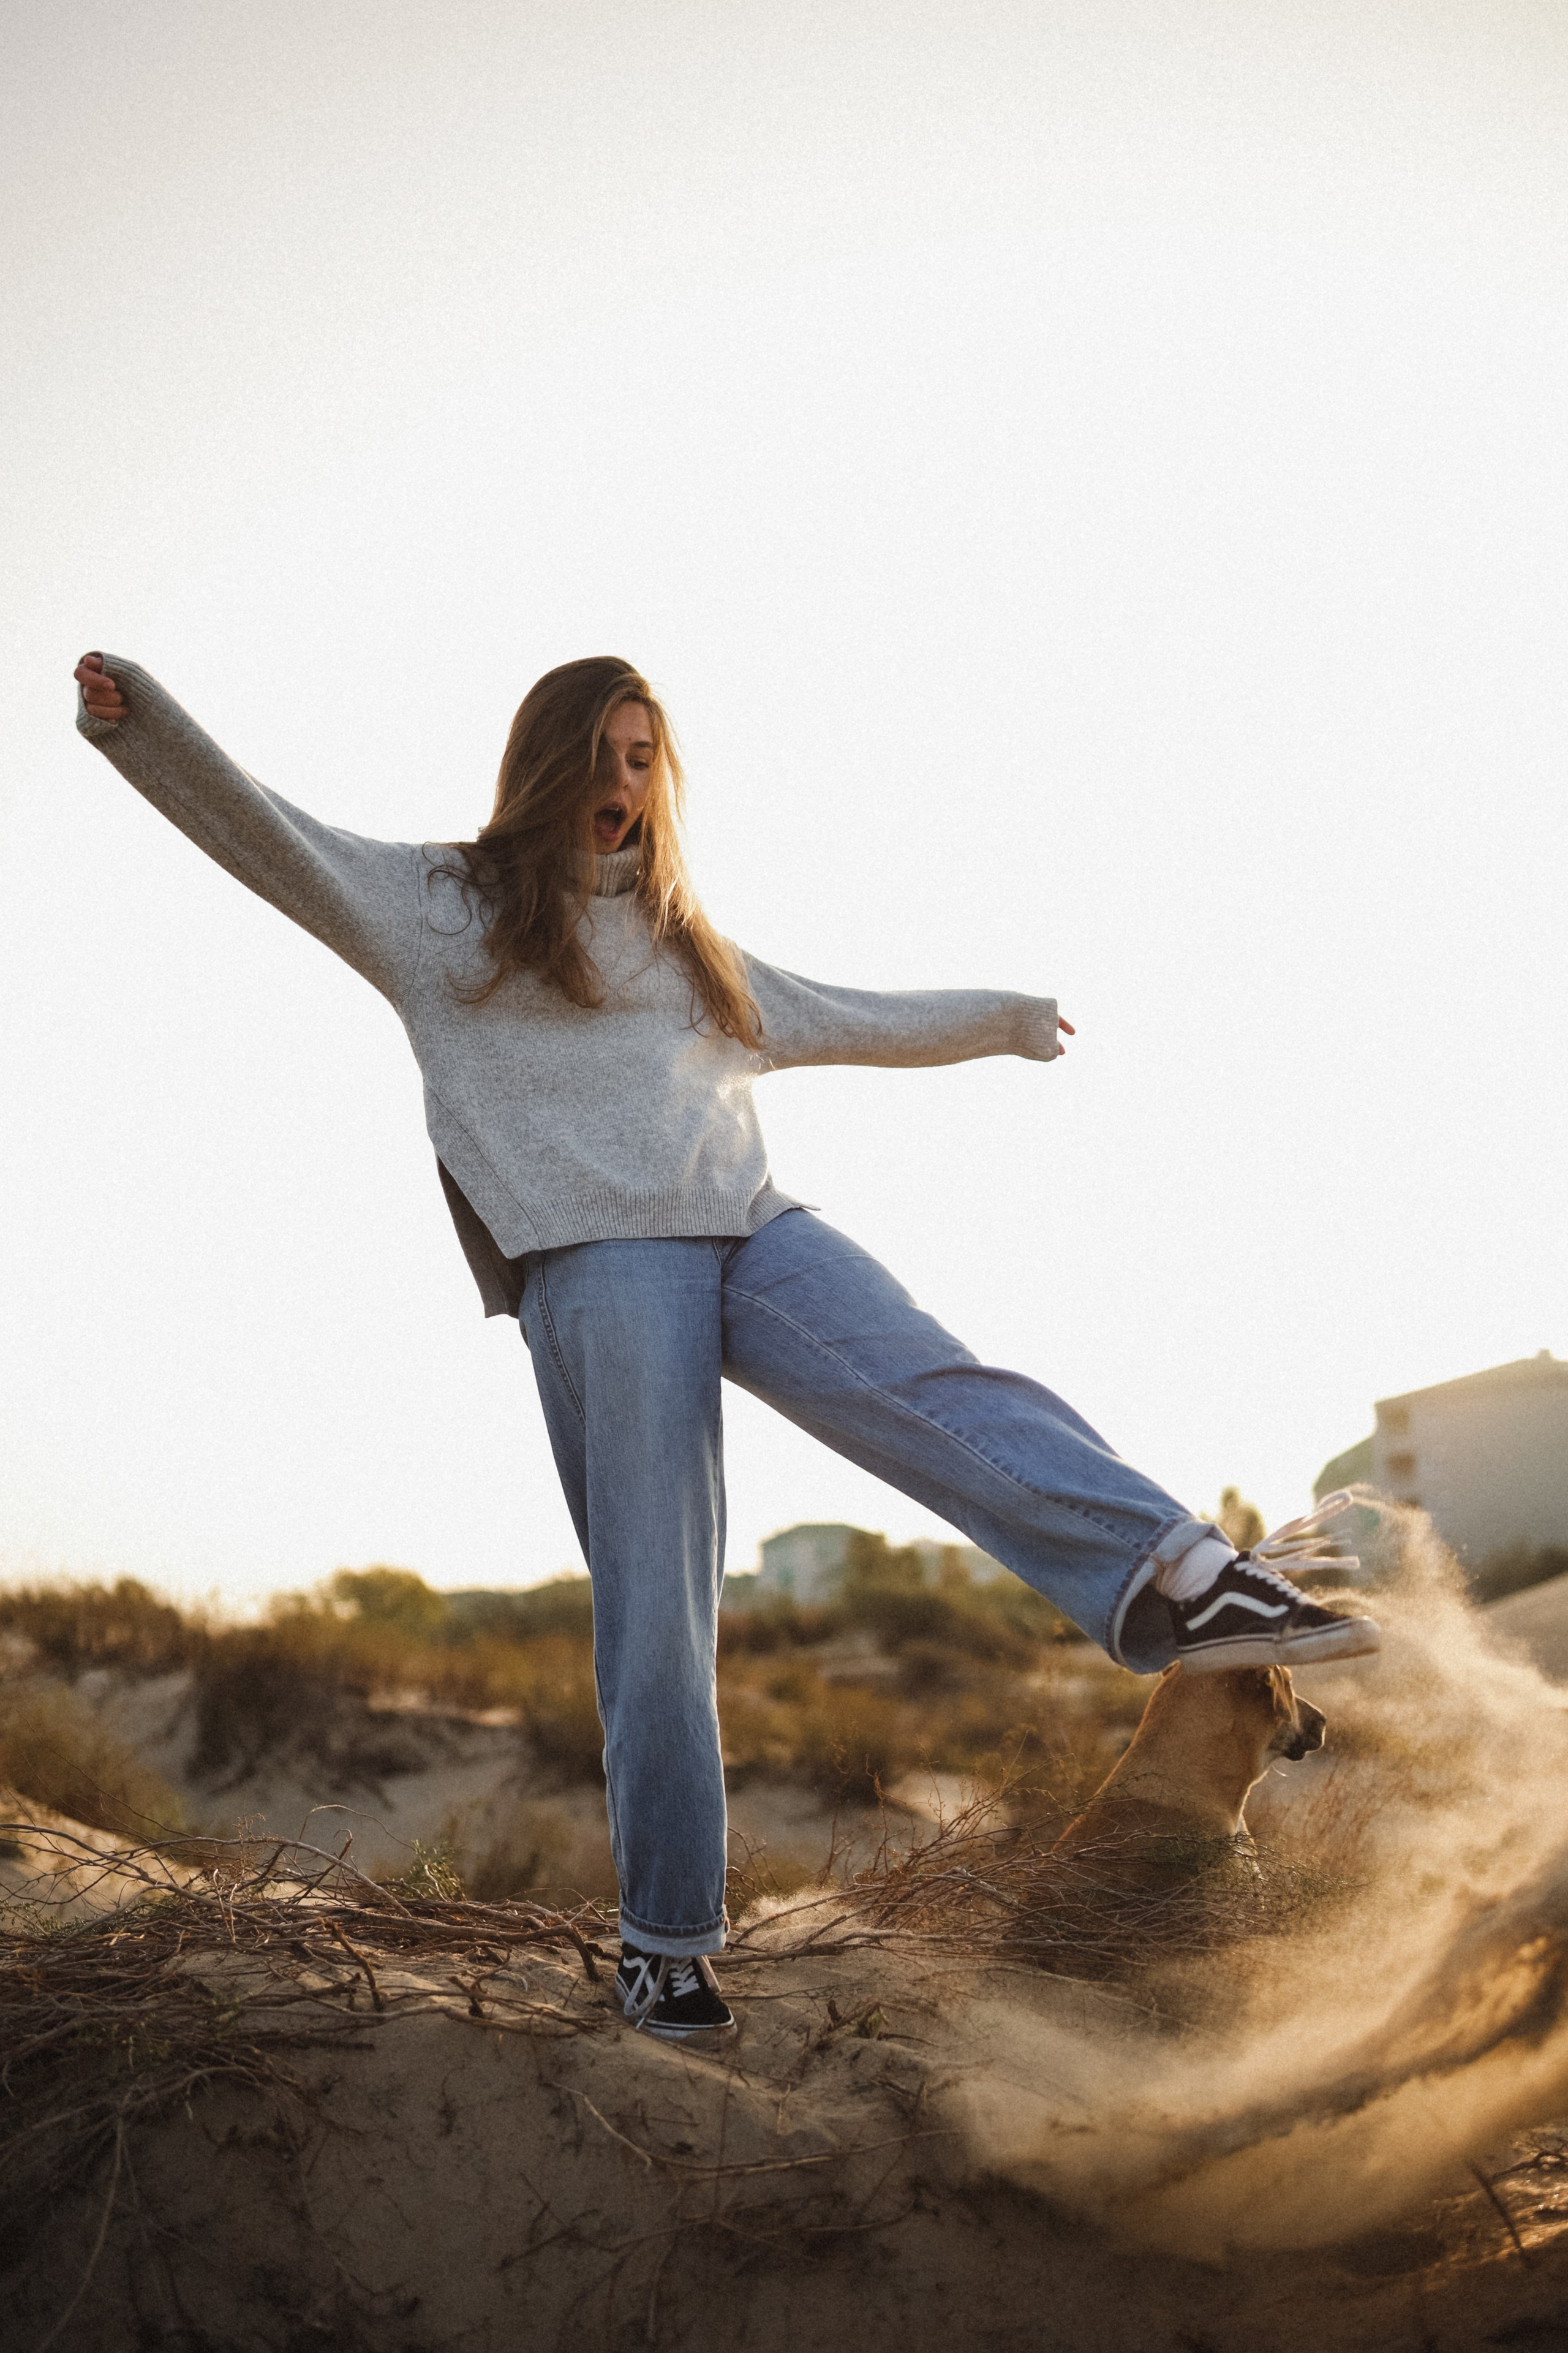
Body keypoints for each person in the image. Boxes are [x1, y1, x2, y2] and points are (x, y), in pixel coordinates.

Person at [72, 648, 1379, 2039]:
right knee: (661, 1614)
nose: (622, 785)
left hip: (750, 1228)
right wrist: (138, 725)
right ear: (546, 764)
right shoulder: (441, 908)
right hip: (600, 1264)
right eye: (601, 755)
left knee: (938, 1381)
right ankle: (666, 1943)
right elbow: (275, 839)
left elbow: (847, 1014)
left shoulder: (688, 943)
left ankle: (1182, 1574)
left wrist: (1000, 1021)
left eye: (644, 760)